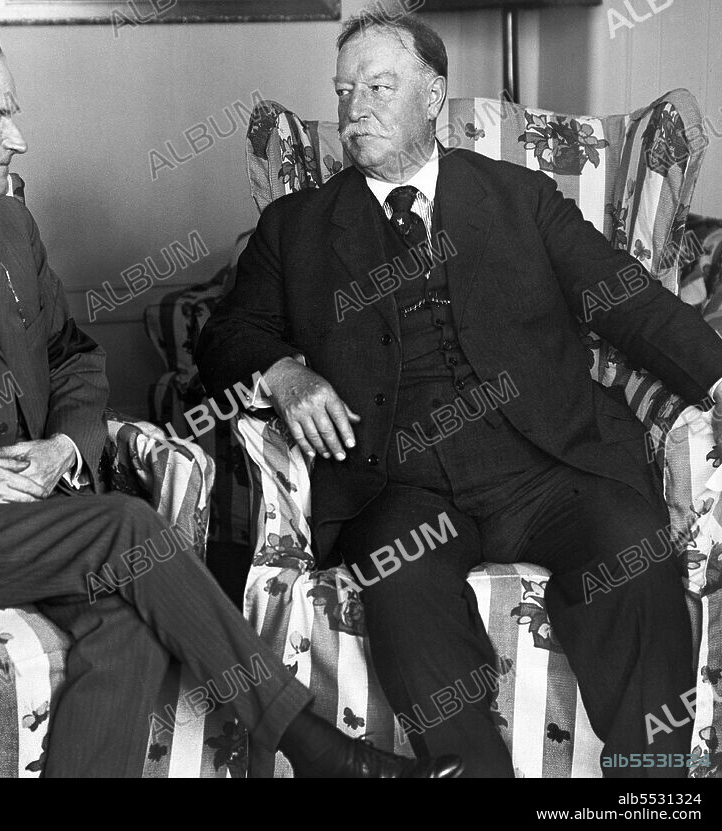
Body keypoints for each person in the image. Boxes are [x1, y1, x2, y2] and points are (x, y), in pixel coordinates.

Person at [0, 21, 461, 779]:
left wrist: (65, 446)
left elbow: (73, 355)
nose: (18, 137)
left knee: (132, 620)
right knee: (128, 528)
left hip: (19, 513)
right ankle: (319, 750)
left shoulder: (9, 223)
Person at [196, 5, 722, 778]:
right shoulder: (297, 225)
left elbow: (629, 303)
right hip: (398, 485)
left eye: (379, 85)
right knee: (406, 595)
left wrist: (717, 377)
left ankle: (651, 788)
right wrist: (285, 372)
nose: (354, 108)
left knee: (632, 555)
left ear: (434, 97)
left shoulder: (521, 195)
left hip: (547, 464)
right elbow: (224, 340)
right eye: (344, 90)